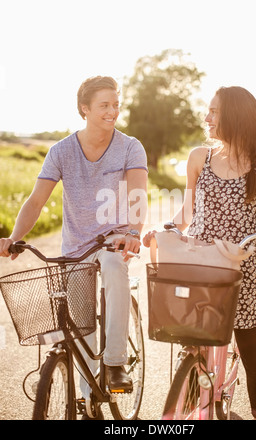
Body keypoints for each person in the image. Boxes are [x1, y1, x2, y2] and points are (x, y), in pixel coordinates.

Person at [143, 86, 256, 420]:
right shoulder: (200, 157)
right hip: (199, 265)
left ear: (234, 117)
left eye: (213, 111)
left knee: (253, 355)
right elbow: (186, 212)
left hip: (241, 272)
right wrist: (164, 229)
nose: (206, 117)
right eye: (208, 110)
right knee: (192, 347)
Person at [0, 76, 148, 401]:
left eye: (115, 104)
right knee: (81, 326)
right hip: (75, 250)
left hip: (113, 242)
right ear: (85, 109)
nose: (113, 111)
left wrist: (133, 232)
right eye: (104, 105)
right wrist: (13, 238)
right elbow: (36, 201)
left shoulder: (129, 146)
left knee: (113, 266)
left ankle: (116, 363)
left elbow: (138, 193)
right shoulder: (61, 151)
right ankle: (88, 396)